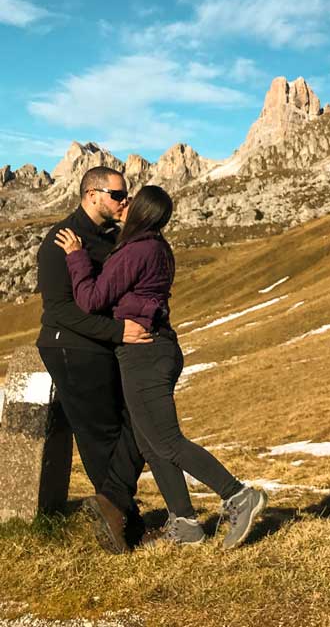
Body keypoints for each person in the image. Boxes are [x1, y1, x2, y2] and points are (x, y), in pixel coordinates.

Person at [54, 184, 265, 549]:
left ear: (142, 213)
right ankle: (184, 523)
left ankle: (238, 496)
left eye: (130, 201)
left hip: (145, 355)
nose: (123, 204)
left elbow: (89, 299)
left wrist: (76, 256)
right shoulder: (156, 247)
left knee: (166, 441)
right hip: (154, 350)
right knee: (151, 444)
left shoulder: (138, 250)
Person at [37, 166, 152, 554]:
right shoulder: (62, 239)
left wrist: (128, 223)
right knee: (101, 436)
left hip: (101, 347)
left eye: (127, 196)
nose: (125, 201)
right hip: (72, 347)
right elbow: (61, 310)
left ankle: (117, 513)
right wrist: (119, 333)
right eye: (118, 195)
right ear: (92, 194)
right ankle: (124, 526)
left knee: (138, 421)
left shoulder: (111, 237)